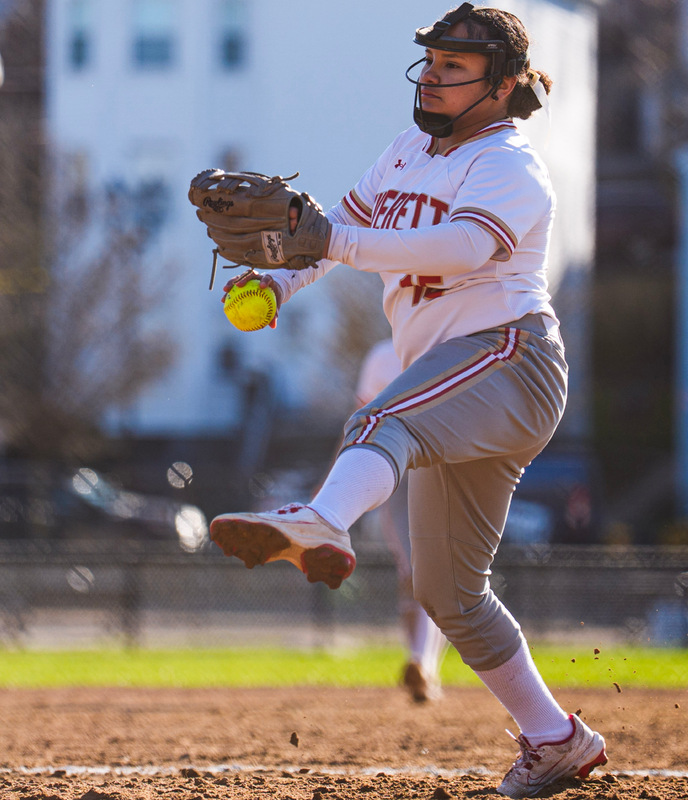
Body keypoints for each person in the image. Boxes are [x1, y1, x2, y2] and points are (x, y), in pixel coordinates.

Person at [210, 4, 607, 796]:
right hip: (456, 385)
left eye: (454, 66)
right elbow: (338, 230)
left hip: (511, 358)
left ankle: (322, 518)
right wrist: (282, 281)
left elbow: (460, 247)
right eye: (429, 59)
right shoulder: (403, 154)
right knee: (447, 592)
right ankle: (557, 737)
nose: (432, 74)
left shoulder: (509, 165)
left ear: (499, 85)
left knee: (382, 414)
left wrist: (333, 242)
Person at [356, 339, 450, 703]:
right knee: (427, 570)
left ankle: (423, 664)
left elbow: (357, 425)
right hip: (425, 465)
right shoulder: (445, 346)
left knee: (415, 572)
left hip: (397, 466)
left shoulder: (384, 354)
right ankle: (423, 663)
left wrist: (342, 477)